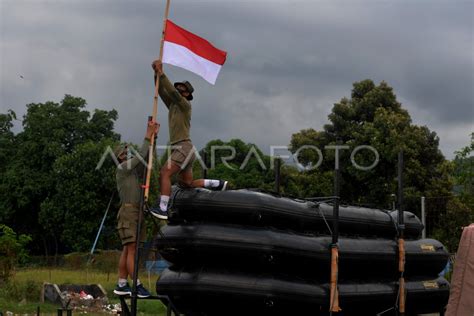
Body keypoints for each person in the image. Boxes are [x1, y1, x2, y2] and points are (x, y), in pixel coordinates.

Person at [150, 60, 228, 220]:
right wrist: (155, 73)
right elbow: (161, 91)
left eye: (182, 89)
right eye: (178, 86)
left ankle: (163, 207)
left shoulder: (184, 104)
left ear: (187, 94)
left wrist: (162, 73)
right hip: (186, 150)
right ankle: (216, 184)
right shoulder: (173, 105)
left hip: (183, 147)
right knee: (187, 184)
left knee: (164, 173)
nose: (178, 88)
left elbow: (171, 91)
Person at [113, 120, 159, 297]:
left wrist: (154, 138)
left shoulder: (134, 172)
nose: (126, 153)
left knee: (127, 249)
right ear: (120, 157)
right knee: (131, 250)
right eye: (124, 152)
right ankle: (136, 285)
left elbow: (147, 160)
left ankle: (122, 283)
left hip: (135, 212)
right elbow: (140, 156)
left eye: (127, 151)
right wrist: (147, 134)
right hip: (129, 212)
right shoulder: (123, 168)